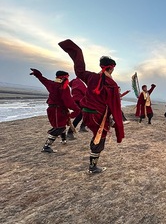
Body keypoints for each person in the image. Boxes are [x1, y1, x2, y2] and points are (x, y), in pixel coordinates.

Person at [59, 39, 124, 174]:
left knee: (96, 136)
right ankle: (92, 167)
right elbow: (114, 105)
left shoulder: (91, 77)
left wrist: (77, 52)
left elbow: (80, 71)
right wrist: (116, 122)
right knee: (99, 138)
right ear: (111, 68)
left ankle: (92, 165)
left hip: (86, 113)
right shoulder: (112, 84)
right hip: (98, 116)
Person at [30, 68, 80, 153]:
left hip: (56, 109)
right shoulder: (63, 87)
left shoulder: (52, 84)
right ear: (64, 78)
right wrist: (76, 109)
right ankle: (46, 146)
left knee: (62, 124)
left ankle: (63, 140)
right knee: (59, 127)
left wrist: (38, 75)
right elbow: (68, 101)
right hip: (57, 110)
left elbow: (43, 80)